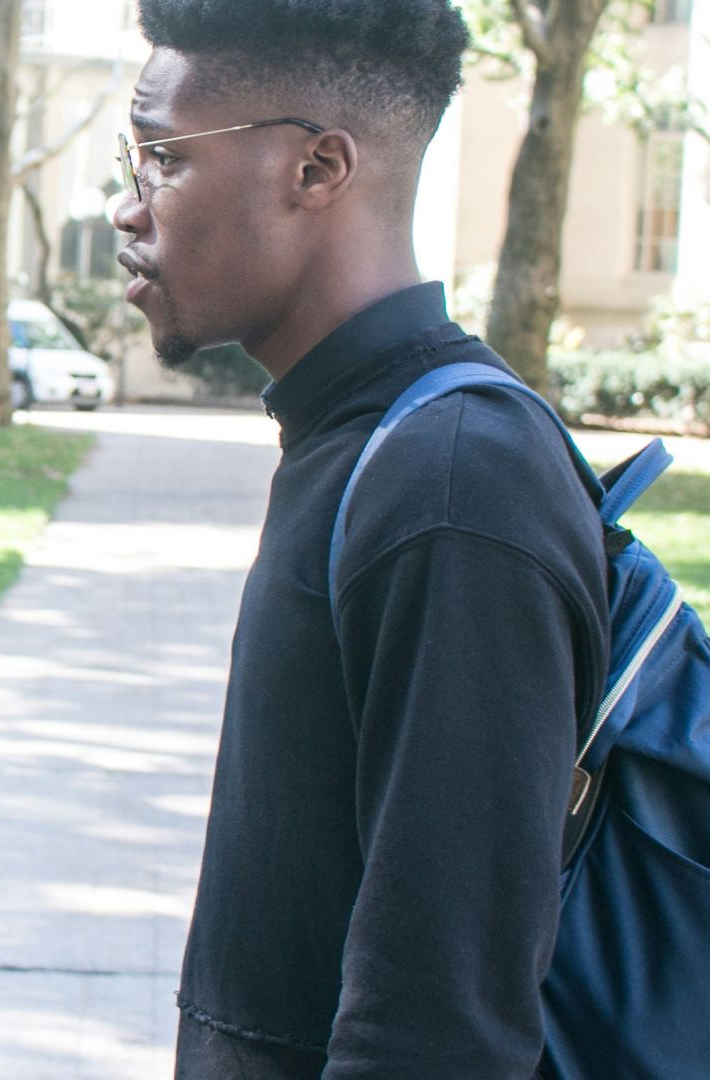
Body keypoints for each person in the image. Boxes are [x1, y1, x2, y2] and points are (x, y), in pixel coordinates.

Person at [112, 3, 608, 1076]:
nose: (126, 206)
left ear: (316, 170)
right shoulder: (357, 438)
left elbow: (439, 1034)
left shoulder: (455, 483)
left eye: (162, 158)